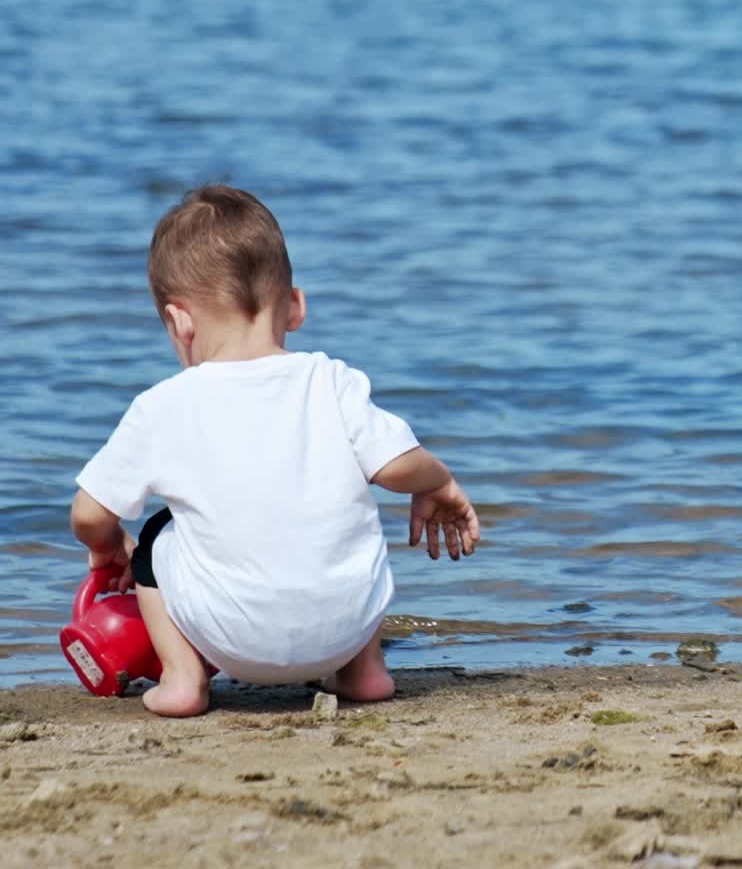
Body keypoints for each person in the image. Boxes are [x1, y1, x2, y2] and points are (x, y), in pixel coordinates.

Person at [69, 185, 479, 717]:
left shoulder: (164, 406)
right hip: (343, 627)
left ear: (179, 322)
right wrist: (439, 484)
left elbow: (87, 513)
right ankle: (364, 670)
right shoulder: (332, 382)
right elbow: (399, 465)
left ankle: (183, 678)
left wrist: (108, 547)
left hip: (231, 640)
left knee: (153, 536)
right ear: (295, 306)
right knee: (347, 508)